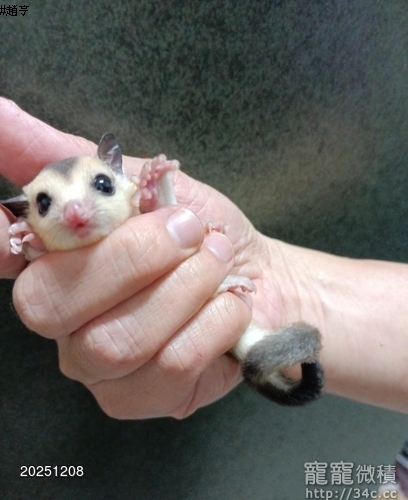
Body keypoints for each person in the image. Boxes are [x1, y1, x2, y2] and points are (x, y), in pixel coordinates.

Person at [1, 97, 407, 419]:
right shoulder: (37, 241)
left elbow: (169, 216)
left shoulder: (138, 203)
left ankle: (225, 297)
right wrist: (34, 246)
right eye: (47, 204)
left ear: (123, 180)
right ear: (26, 218)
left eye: (101, 185)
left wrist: (161, 187)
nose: (76, 211)